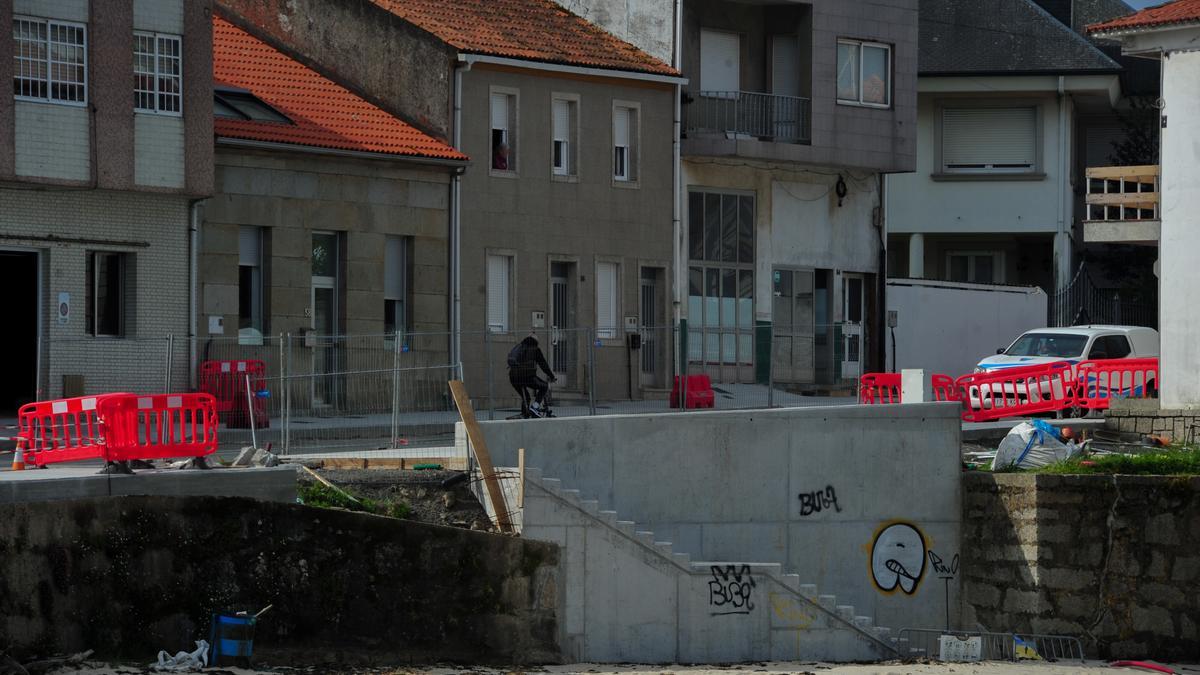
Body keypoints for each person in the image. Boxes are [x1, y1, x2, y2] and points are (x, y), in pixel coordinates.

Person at [507, 334, 556, 417]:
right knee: (544, 386)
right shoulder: (535, 349)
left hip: (513, 377)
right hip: (527, 376)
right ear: (536, 341)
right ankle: (535, 407)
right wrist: (551, 376)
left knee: (526, 397)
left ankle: (525, 413)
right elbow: (543, 365)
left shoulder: (518, 347)